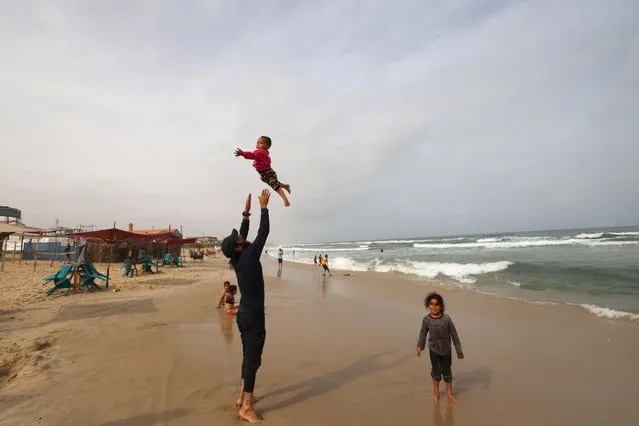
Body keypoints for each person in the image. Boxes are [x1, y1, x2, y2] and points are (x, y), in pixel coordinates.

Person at [221, 190, 271, 423]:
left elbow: (244, 234)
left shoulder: (238, 257)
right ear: (239, 247)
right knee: (253, 360)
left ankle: (242, 397)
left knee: (247, 356)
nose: (241, 237)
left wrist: (246, 212)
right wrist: (264, 208)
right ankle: (247, 407)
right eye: (239, 239)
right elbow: (264, 232)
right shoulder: (249, 256)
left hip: (244, 316)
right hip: (252, 316)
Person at [416, 292, 464, 404]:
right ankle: (436, 393)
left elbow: (454, 335)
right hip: (433, 350)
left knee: (447, 373)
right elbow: (423, 333)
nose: (434, 307)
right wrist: (420, 346)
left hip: (446, 351)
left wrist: (459, 350)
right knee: (436, 373)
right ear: (428, 306)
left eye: (437, 304)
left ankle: (450, 394)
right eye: (431, 304)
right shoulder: (426, 320)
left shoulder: (447, 319)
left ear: (441, 306)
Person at [235, 136, 292, 207]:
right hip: (265, 173)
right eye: (257, 142)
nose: (258, 144)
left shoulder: (261, 152)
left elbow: (251, 155)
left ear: (267, 146)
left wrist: (242, 153)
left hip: (267, 173)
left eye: (261, 143)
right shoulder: (262, 152)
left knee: (275, 186)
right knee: (273, 183)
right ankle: (285, 186)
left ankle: (285, 200)